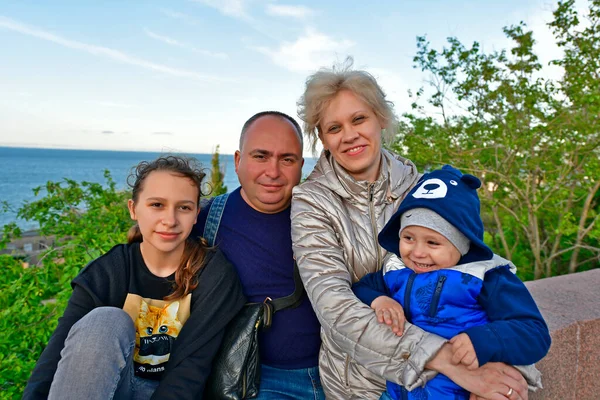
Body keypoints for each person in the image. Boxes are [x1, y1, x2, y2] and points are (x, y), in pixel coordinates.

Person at [291, 59, 541, 400]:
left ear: (380, 118)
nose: (349, 135)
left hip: (446, 385)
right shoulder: (311, 202)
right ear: (322, 137)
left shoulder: (422, 187)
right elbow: (333, 304)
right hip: (361, 385)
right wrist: (449, 362)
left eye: (359, 119)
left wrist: (509, 376)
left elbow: (480, 275)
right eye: (334, 128)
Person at [23, 156, 246, 400]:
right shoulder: (109, 271)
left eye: (183, 207)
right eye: (157, 205)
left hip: (179, 392)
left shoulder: (214, 275)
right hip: (112, 388)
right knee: (105, 321)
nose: (170, 220)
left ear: (195, 215)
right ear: (133, 209)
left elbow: (191, 369)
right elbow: (56, 354)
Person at [352, 165, 551, 400]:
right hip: (400, 392)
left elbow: (534, 333)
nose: (417, 252)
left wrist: (483, 340)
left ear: (462, 243)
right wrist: (380, 299)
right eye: (408, 238)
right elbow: (361, 287)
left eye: (432, 243)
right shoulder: (395, 271)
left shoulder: (485, 278)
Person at [190, 111, 324, 399]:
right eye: (260, 156)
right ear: (238, 161)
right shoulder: (203, 219)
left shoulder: (325, 217)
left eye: (286, 159)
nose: (273, 172)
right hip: (245, 379)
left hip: (338, 374)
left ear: (300, 165)